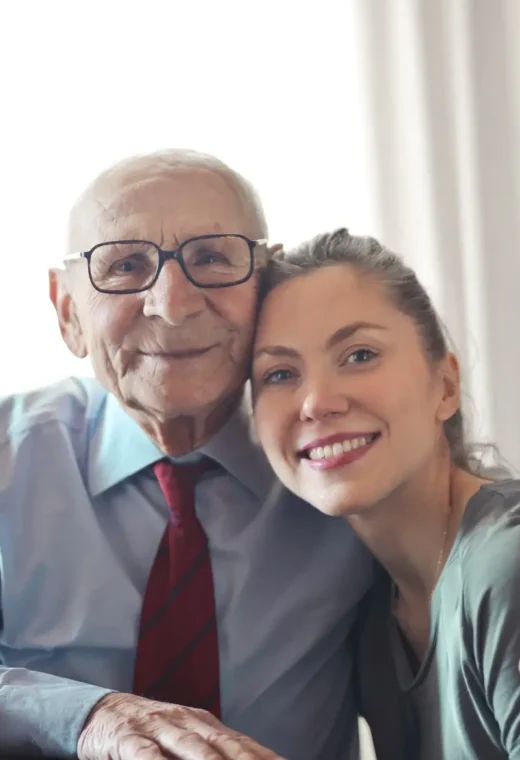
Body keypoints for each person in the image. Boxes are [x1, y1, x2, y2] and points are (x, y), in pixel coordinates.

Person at [0, 156, 374, 760]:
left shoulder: (346, 461)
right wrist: (86, 715)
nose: (173, 304)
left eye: (212, 258)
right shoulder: (8, 460)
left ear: (268, 288)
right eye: (124, 266)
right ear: (68, 313)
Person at [252, 227, 520, 760]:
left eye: (358, 355)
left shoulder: (505, 570)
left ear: (444, 385)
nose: (317, 402)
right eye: (280, 373)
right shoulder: (372, 610)